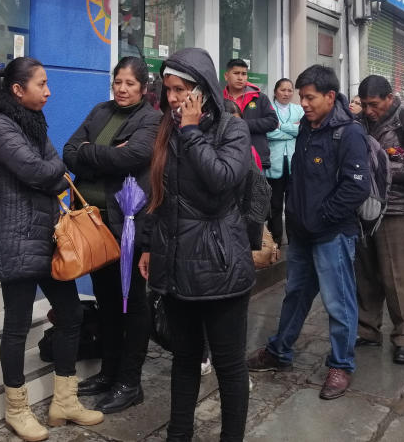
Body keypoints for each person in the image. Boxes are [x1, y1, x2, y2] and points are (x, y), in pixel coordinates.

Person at [0, 57, 104, 441]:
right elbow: (41, 171)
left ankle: (64, 400)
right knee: (16, 327)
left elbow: (55, 166)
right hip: (16, 238)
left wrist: (54, 175)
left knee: (70, 315)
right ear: (18, 90)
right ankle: (17, 408)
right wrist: (55, 176)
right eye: (41, 84)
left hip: (48, 236)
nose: (49, 91)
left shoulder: (33, 122)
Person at [139, 48, 255, 442]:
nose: (171, 98)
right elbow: (160, 195)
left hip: (220, 266)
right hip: (175, 267)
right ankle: (179, 434)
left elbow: (221, 182)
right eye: (167, 89)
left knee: (229, 365)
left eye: (180, 89)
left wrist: (191, 132)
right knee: (184, 360)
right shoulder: (166, 129)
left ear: (202, 90)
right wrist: (149, 246)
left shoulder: (232, 130)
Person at [245, 65, 369, 401]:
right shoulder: (306, 127)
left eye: (310, 97)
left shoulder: (349, 133)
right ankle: (279, 352)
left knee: (338, 303)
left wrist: (322, 218)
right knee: (295, 295)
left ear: (330, 96)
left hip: (332, 234)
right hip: (301, 233)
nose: (304, 103)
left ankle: (341, 364)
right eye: (301, 97)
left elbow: (356, 188)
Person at [62, 57, 161, 414]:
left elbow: (135, 156)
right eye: (118, 81)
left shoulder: (151, 118)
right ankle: (108, 371)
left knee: (131, 303)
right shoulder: (100, 110)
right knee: (106, 300)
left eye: (130, 84)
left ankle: (129, 382)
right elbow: (69, 152)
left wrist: (92, 155)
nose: (121, 89)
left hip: (128, 225)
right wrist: (102, 154)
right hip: (93, 224)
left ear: (143, 87)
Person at [354, 75, 404, 365]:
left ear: (388, 98)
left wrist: (374, 169)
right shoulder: (360, 121)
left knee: (397, 277)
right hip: (363, 209)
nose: (369, 110)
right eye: (364, 105)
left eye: (374, 105)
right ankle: (367, 329)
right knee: (366, 275)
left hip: (395, 209)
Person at [265, 78, 303, 245]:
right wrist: (291, 130)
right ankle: (276, 240)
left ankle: (293, 239)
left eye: (290, 90)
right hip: (275, 163)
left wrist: (280, 127)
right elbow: (266, 132)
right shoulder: (268, 109)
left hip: (294, 164)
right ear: (275, 91)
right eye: (283, 90)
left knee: (293, 205)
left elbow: (303, 130)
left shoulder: (299, 109)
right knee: (275, 204)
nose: (287, 93)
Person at [222, 58, 278, 169]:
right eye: (236, 73)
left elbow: (273, 122)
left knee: (257, 187)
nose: (240, 77)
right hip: (226, 156)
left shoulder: (260, 97)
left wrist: (243, 124)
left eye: (244, 74)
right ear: (226, 76)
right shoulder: (219, 98)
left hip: (256, 158)